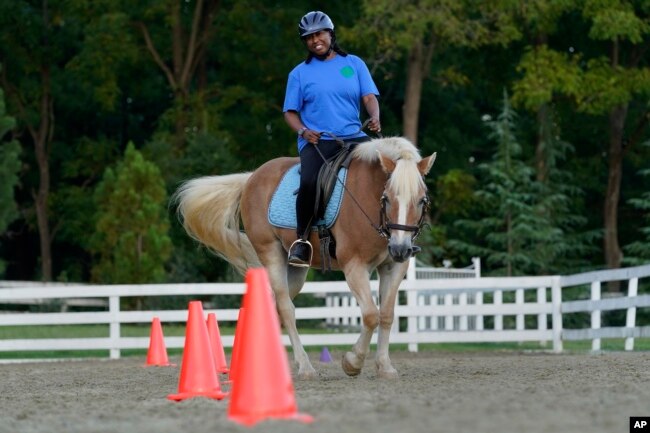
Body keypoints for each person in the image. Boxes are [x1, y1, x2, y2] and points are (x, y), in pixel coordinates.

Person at [283, 10, 381, 267]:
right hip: (318, 141)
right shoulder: (299, 74)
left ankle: (394, 230)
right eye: (309, 37)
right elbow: (290, 113)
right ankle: (302, 241)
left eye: (319, 34)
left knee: (385, 168)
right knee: (309, 181)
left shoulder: (354, 64)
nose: (315, 40)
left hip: (354, 137)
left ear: (331, 34)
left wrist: (374, 116)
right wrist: (304, 131)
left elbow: (369, 98)